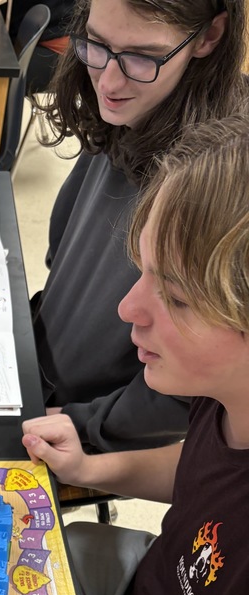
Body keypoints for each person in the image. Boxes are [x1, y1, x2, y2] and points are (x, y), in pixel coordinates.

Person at [21, 114, 249, 595]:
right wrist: (99, 465)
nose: (129, 309)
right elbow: (201, 467)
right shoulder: (228, 399)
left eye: (175, 298)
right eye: (143, 271)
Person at [31, 0, 247, 452]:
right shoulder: (129, 106)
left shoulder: (218, 173)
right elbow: (62, 246)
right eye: (96, 43)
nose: (108, 83)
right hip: (46, 365)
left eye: (141, 57)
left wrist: (88, 423)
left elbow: (211, 375)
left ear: (209, 37)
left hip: (87, 418)